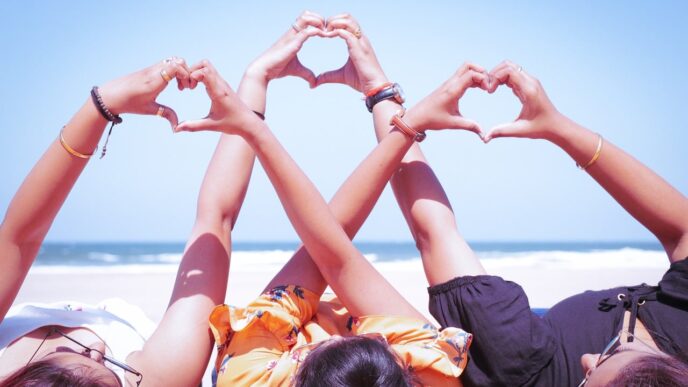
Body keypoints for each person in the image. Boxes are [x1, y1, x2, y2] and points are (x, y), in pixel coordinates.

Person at [324, 53, 688, 386]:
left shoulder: (516, 364)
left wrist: (387, 100)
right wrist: (559, 127)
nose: (588, 358)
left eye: (587, 375)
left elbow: (348, 251)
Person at [174, 12, 489, 387]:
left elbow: (326, 249)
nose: (340, 333)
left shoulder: (254, 378)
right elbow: (333, 251)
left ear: (296, 369)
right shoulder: (430, 371)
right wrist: (384, 98)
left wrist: (254, 90)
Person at [0, 55, 263, 386]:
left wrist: (104, 104)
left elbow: (19, 236)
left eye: (78, 356)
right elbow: (216, 218)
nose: (96, 347)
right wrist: (255, 84)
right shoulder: (162, 375)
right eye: (105, 364)